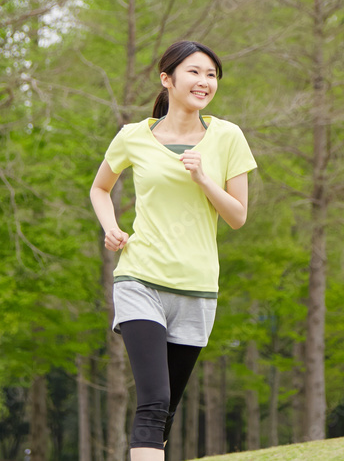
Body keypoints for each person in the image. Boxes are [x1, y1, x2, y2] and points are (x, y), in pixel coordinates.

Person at [89, 41, 257, 460]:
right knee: (154, 401)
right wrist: (111, 228)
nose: (204, 82)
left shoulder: (227, 137)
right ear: (167, 79)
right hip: (140, 278)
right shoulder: (133, 136)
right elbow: (99, 188)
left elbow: (237, 216)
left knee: (167, 411)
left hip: (197, 287)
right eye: (195, 72)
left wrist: (204, 179)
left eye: (212, 75)